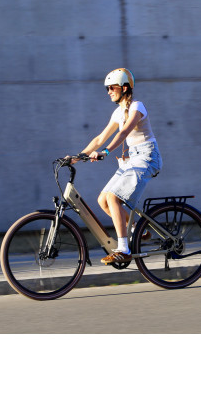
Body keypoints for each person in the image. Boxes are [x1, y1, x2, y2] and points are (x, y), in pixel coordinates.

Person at [76, 68, 162, 265]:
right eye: (107, 88)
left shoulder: (137, 107)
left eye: (112, 87)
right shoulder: (117, 112)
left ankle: (123, 249)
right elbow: (100, 138)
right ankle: (137, 229)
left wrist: (106, 152)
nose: (108, 91)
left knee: (113, 198)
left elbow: (123, 133)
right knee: (103, 200)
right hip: (133, 159)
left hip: (148, 157)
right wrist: (77, 157)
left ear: (124, 88)